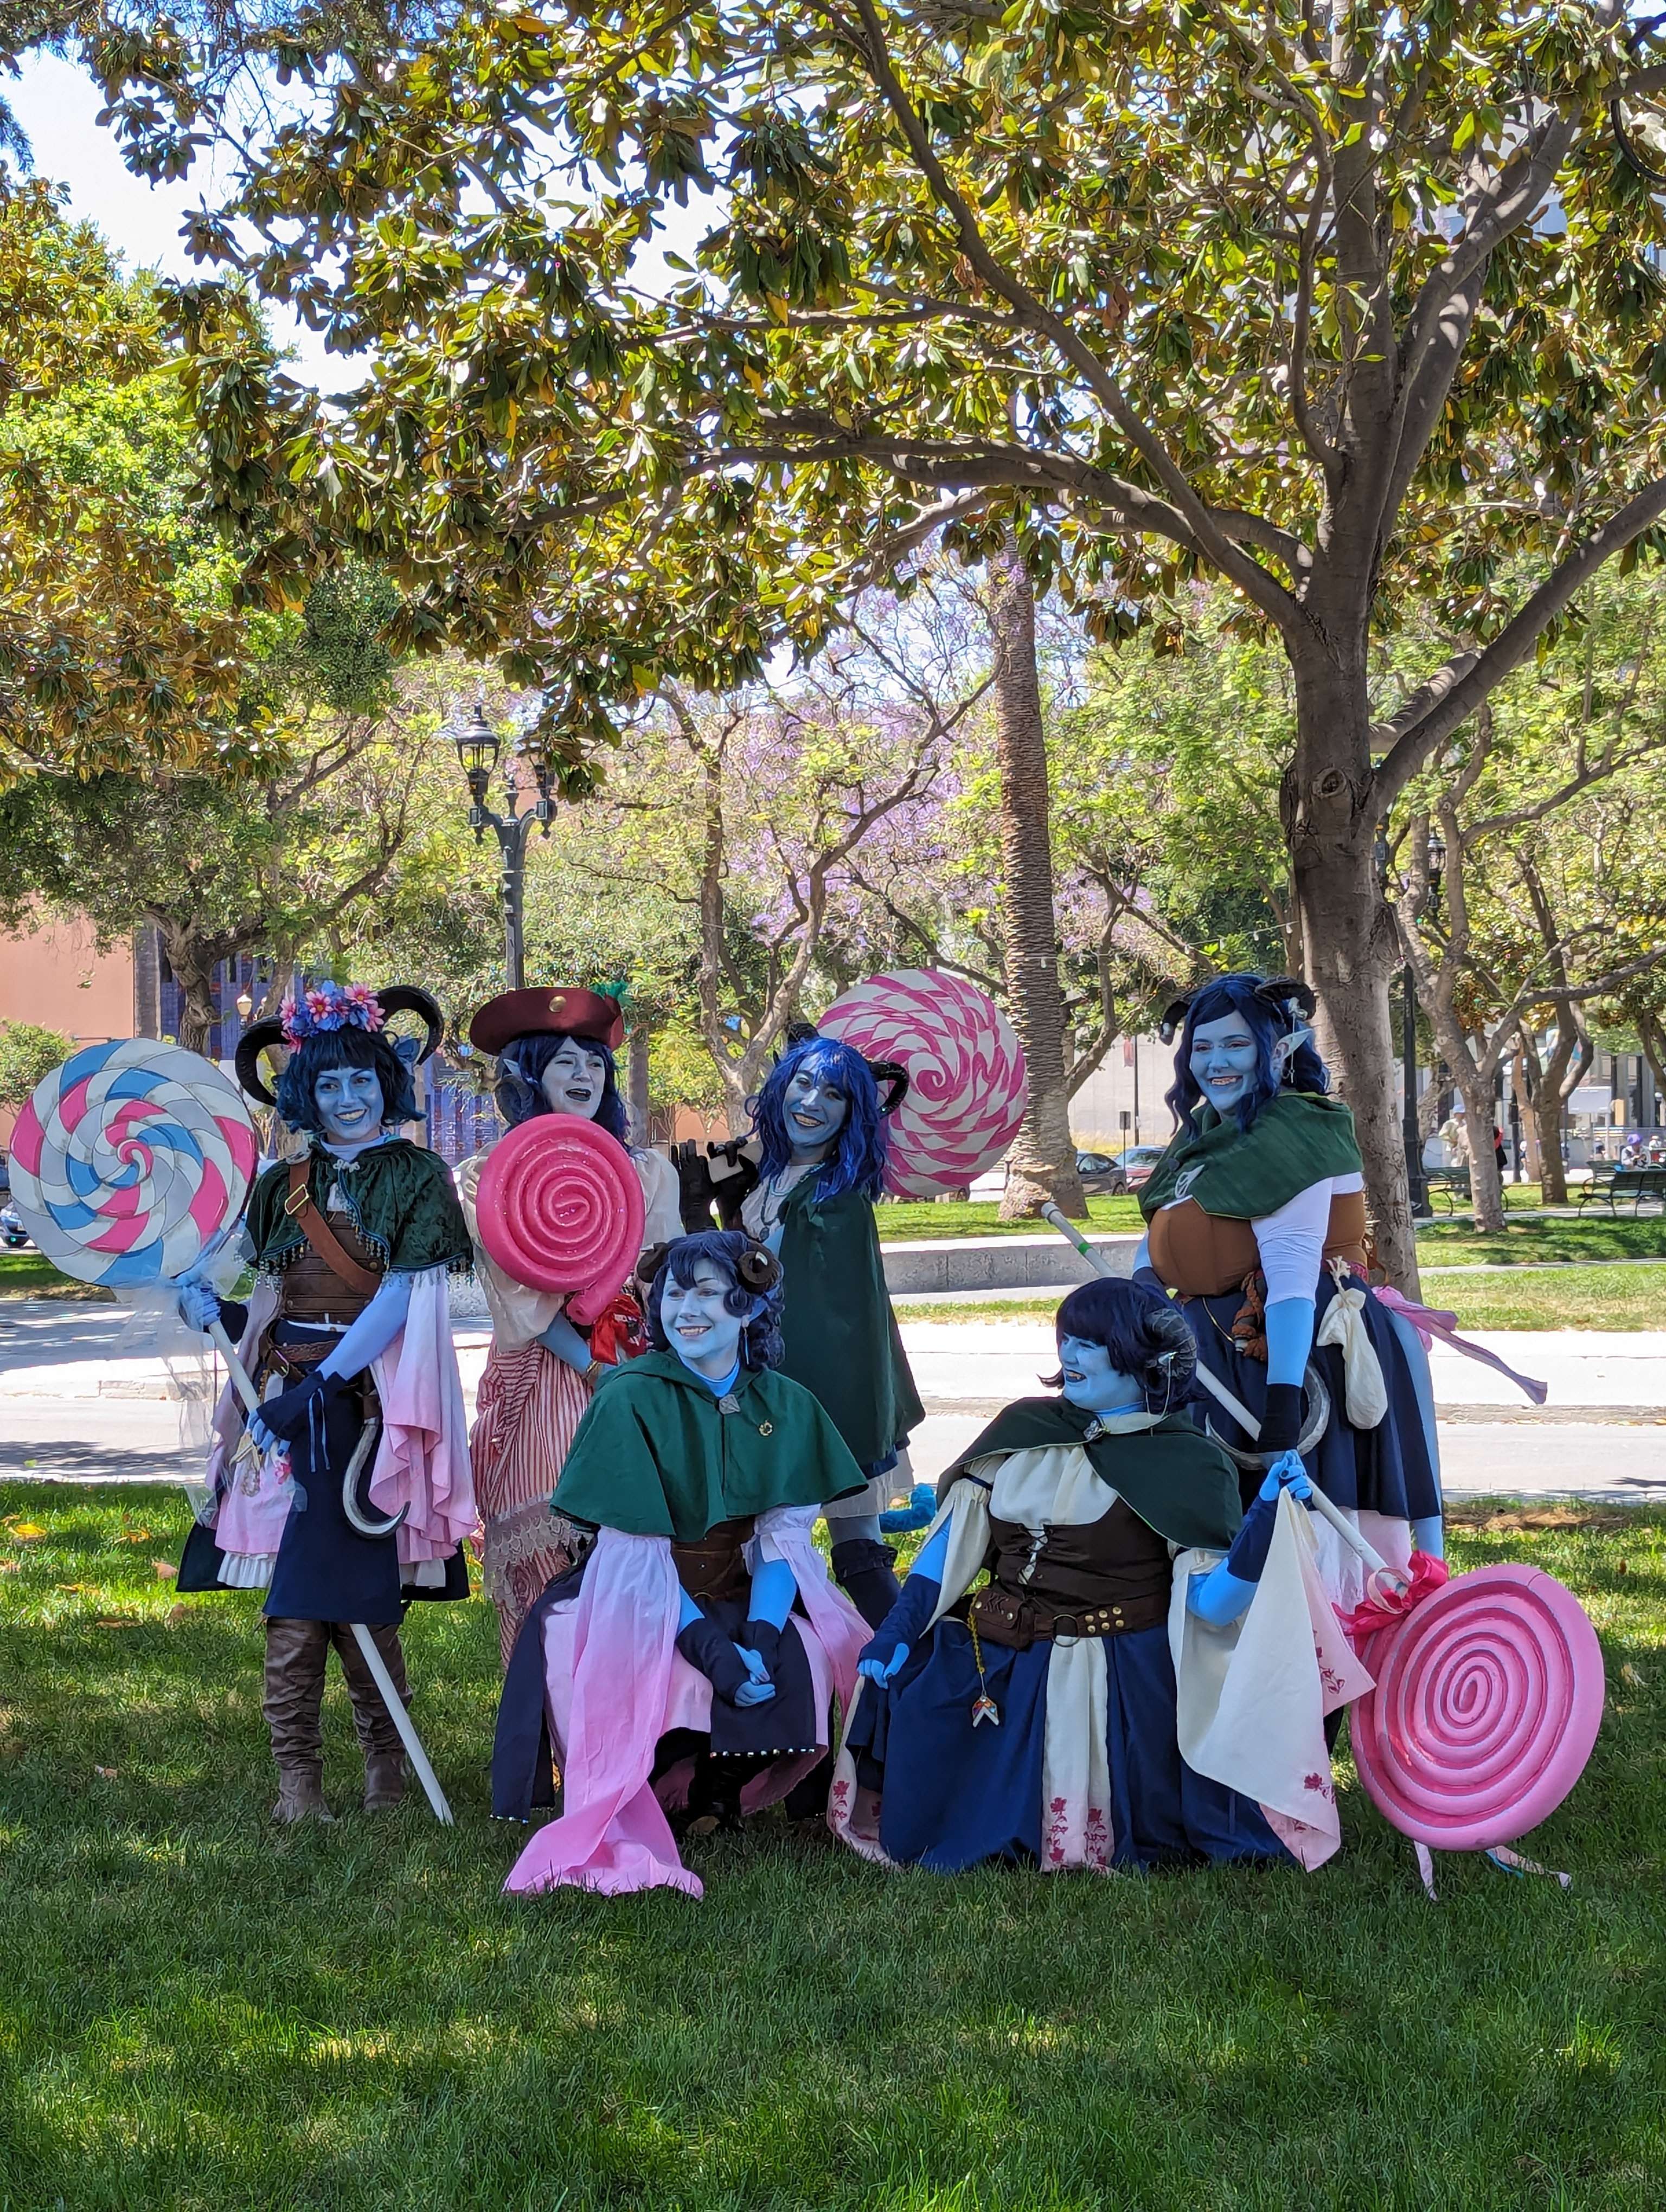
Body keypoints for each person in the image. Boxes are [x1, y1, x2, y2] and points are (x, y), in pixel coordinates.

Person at [829, 1277, 1369, 1874]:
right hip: (1005, 1656)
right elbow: (947, 1553)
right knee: (911, 1682)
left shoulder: (1187, 1462)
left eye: (1089, 1343)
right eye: (1067, 1340)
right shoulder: (1021, 1435)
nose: (1069, 1355)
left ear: (1144, 1358)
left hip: (1125, 1675)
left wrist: (1264, 1518)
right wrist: (899, 1629)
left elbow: (1212, 1609)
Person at [491, 1231, 871, 1898]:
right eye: (673, 1294)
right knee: (660, 1667)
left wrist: (758, 1635)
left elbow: (781, 1539)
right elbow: (634, 1556)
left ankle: (719, 1789)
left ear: (749, 1310)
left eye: (707, 1295)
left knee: (804, 1656)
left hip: (739, 1586)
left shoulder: (783, 1402)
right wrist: (711, 1649)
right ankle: (661, 1781)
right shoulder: (628, 1395)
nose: (685, 1310)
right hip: (631, 1587)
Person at [175, 981, 475, 1821]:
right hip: (279, 1394)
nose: (347, 1099)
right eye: (329, 1085)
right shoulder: (280, 1184)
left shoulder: (419, 1176)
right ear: (304, 1092)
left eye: (361, 1081)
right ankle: (296, 1786)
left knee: (361, 1589)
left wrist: (324, 1390)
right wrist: (203, 1304)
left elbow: (398, 1302)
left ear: (388, 1080)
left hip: (370, 1406)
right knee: (294, 1598)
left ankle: (387, 1767)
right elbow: (250, 1283)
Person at [1135, 973, 1442, 1602]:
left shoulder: (1298, 1131)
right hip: (1212, 1360)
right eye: (1202, 1047)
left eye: (1236, 1046)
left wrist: (1282, 1418)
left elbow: (1292, 1280)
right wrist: (1139, 1300)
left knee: (1299, 1535)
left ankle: (1325, 1669)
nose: (1215, 1063)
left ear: (1277, 1047)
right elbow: (1155, 1244)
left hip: (1296, 1360)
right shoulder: (1198, 1140)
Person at [459, 987, 683, 1666]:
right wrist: (595, 1370)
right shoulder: (483, 1178)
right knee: (552, 1546)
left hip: (637, 1370)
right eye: (563, 1062)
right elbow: (522, 1307)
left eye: (594, 1060)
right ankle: (547, 1734)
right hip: (545, 1373)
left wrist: (641, 1371)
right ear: (527, 1077)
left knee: (638, 1549)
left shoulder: (648, 1171)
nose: (584, 1075)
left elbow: (664, 1279)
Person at [678, 1030, 922, 1628]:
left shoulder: (835, 1199)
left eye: (834, 1094)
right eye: (805, 1083)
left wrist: (704, 1224)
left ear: (854, 1113)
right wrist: (725, 1210)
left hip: (817, 1395)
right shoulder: (780, 1176)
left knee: (838, 1544)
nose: (812, 1101)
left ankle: (910, 1670)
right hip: (783, 1386)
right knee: (796, 1544)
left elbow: (775, 1285)